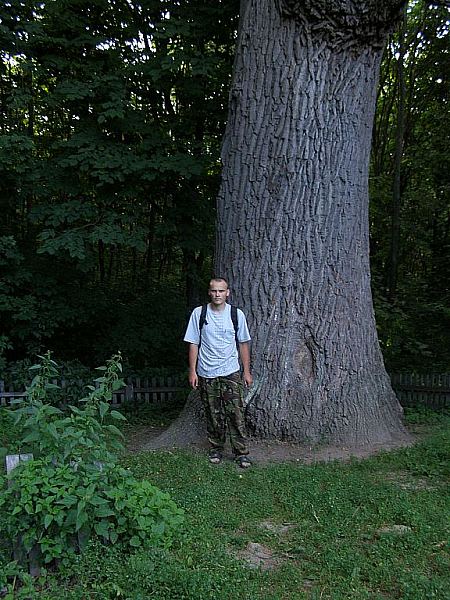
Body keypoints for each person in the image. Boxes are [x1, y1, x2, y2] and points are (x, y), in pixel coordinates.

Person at [184, 277, 253, 468]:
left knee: (236, 413)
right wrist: (193, 371)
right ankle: (216, 449)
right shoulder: (199, 313)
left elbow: (243, 343)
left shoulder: (236, 314)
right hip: (207, 372)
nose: (217, 294)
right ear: (209, 292)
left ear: (227, 293)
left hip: (231, 371)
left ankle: (241, 452)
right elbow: (193, 343)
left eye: (221, 291)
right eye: (214, 291)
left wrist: (246, 372)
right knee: (213, 414)